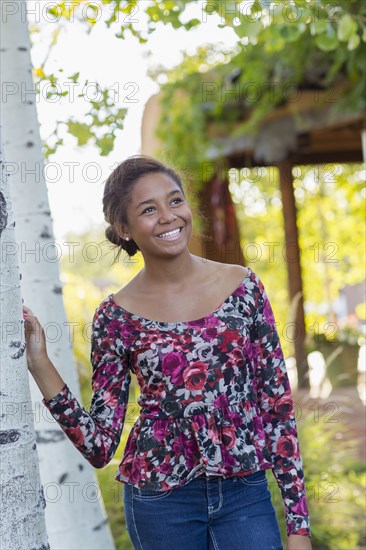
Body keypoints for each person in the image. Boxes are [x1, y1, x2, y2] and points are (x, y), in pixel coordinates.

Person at [23, 155, 312, 550]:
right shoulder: (115, 316)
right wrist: (40, 364)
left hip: (244, 493)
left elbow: (276, 407)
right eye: (148, 209)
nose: (167, 216)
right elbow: (100, 446)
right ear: (124, 229)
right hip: (159, 502)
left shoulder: (243, 288)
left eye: (175, 201)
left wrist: (298, 526)